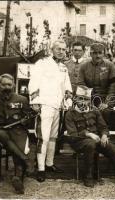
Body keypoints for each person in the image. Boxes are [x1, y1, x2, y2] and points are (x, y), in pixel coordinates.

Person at [64, 85, 115, 189]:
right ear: (75, 99)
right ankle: (88, 176)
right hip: (79, 142)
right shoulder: (70, 114)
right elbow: (72, 135)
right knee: (90, 144)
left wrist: (104, 135)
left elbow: (103, 126)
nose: (83, 102)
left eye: (86, 100)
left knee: (110, 146)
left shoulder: (94, 110)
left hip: (96, 140)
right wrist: (88, 134)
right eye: (80, 99)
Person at [28, 40, 73, 182]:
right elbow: (33, 82)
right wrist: (35, 101)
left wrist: (68, 101)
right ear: (52, 49)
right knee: (43, 137)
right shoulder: (42, 63)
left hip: (58, 106)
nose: (61, 51)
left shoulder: (63, 68)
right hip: (45, 105)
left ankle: (49, 164)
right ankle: (40, 169)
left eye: (64, 49)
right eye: (58, 49)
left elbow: (67, 86)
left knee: (54, 137)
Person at [78, 43, 115, 109]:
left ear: (104, 54)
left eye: (100, 53)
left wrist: (107, 103)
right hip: (89, 98)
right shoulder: (84, 66)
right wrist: (87, 102)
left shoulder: (110, 65)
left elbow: (113, 85)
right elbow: (81, 84)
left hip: (105, 98)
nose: (98, 56)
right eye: (95, 53)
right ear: (90, 54)